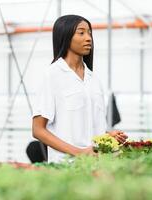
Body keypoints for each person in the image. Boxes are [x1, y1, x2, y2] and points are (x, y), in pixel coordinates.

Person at [32, 15, 127, 163]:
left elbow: (88, 126)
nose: (88, 38)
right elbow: (38, 130)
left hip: (98, 164)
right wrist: (79, 152)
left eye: (89, 33)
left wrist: (108, 136)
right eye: (81, 33)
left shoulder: (93, 80)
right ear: (65, 36)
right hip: (66, 166)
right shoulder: (52, 75)